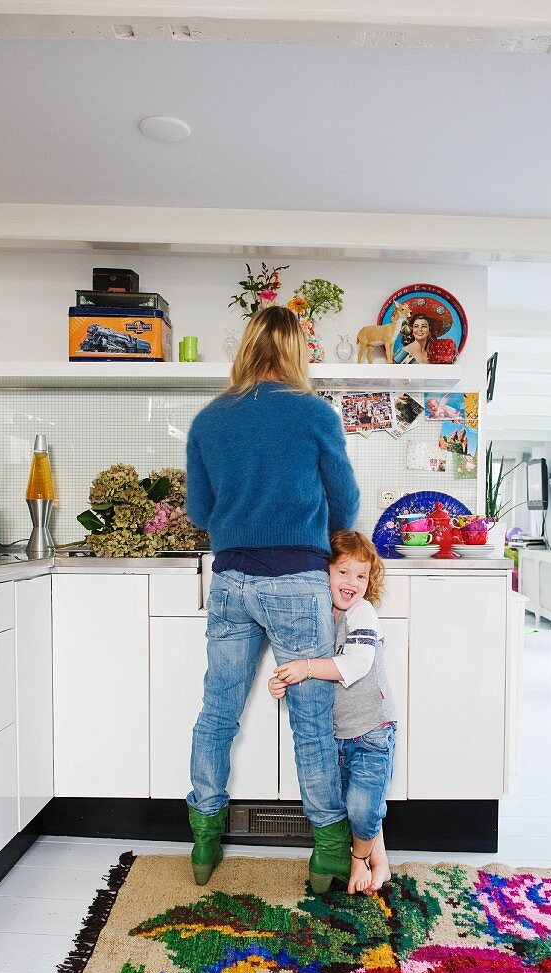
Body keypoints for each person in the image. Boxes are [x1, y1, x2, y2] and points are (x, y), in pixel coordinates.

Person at [185, 306, 360, 892]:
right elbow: (347, 504)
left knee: (217, 715)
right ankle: (329, 854)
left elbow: (199, 513)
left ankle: (204, 841)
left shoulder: (210, 419)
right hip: (296, 581)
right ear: (295, 351)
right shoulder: (315, 415)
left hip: (231, 581)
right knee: (311, 722)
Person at [268, 530, 395, 894]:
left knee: (363, 805)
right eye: (343, 572)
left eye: (361, 575)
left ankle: (359, 860)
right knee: (359, 804)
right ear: (322, 573)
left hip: (372, 728)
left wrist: (304, 667)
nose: (352, 582)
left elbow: (355, 664)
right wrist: (281, 682)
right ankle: (380, 860)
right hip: (339, 733)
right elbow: (296, 669)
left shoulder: (362, 612)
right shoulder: (321, 617)